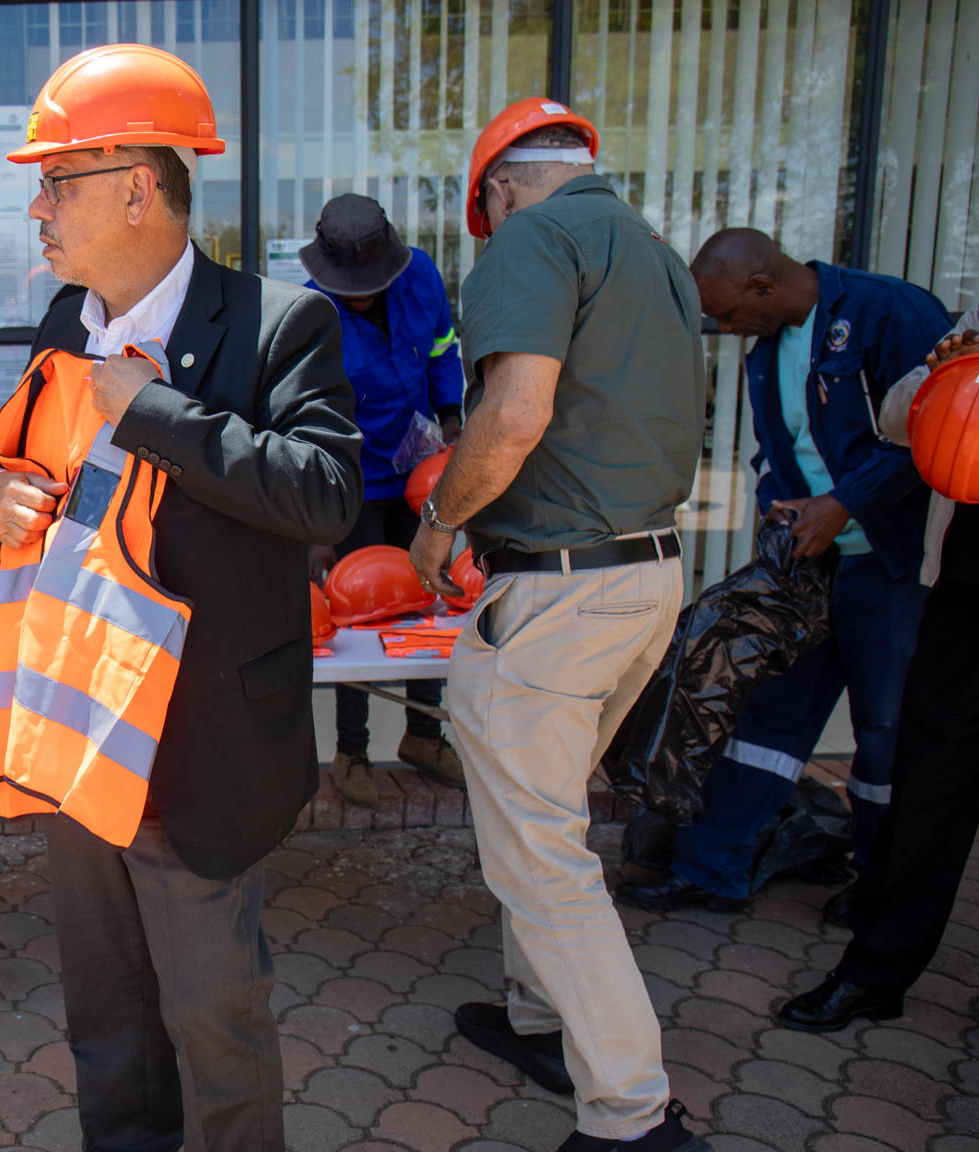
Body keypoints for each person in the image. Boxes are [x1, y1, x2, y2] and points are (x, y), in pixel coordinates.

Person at [0, 44, 361, 1151]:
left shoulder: (279, 323)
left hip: (199, 746)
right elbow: (10, 453)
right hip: (75, 728)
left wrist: (153, 411)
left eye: (59, 181)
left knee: (211, 1015)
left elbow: (326, 496)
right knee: (106, 1016)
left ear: (139, 187)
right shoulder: (65, 318)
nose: (38, 208)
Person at [406, 99, 711, 1152]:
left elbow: (516, 412)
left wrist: (440, 522)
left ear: (498, 189)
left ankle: (631, 1115)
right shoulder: (654, 253)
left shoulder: (534, 239)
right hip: (645, 575)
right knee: (549, 818)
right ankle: (541, 1021)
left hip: (559, 588)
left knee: (540, 859)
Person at [618, 229, 947, 924]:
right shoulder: (768, 352)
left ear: (761, 287)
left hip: (890, 567)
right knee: (767, 711)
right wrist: (780, 507)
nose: (728, 330)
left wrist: (844, 504)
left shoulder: (889, 311)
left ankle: (883, 888)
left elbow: (937, 432)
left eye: (730, 314)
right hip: (810, 564)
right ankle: (712, 870)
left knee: (884, 732)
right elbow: (776, 451)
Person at [778, 317, 979, 1032]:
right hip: (966, 591)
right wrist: (943, 373)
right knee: (929, 784)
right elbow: (897, 422)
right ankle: (873, 973)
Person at [298, 193, 467, 806]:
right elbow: (305, 421)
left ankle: (423, 735)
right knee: (358, 616)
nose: (362, 296)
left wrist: (451, 417)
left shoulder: (422, 277)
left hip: (421, 474)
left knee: (427, 601)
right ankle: (353, 750)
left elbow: (443, 349)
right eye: (353, 288)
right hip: (354, 483)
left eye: (372, 285)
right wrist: (318, 526)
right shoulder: (309, 314)